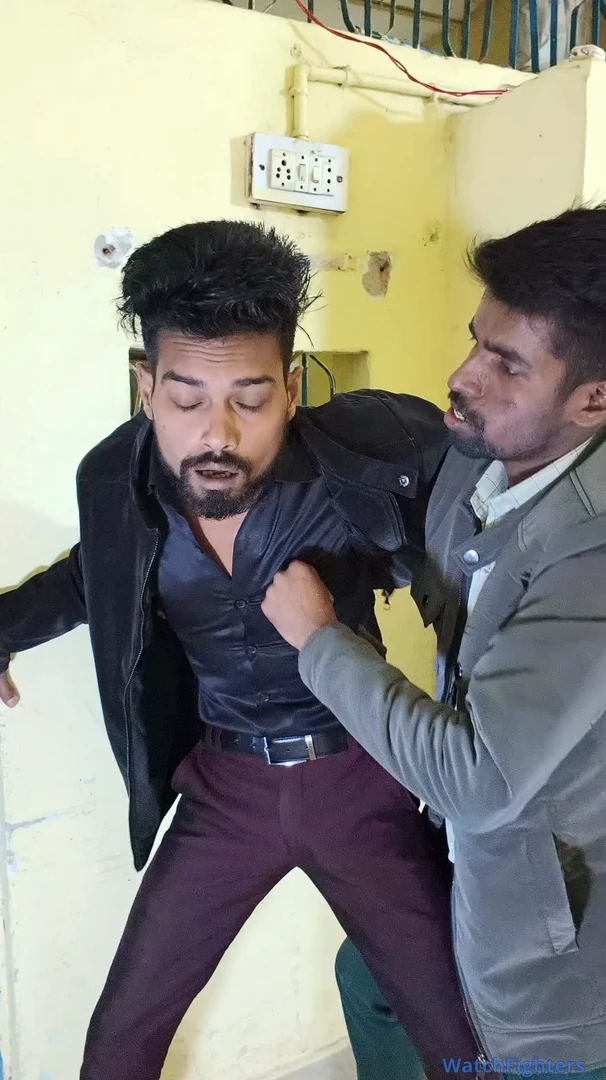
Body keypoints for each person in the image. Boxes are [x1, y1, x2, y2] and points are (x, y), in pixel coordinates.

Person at [0, 220, 479, 1079]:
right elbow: (86, 578)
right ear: (147, 387)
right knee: (119, 1041)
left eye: (249, 400)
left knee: (462, 1038)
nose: (217, 435)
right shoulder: (122, 488)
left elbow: (495, 515)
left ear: (291, 389)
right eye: (186, 400)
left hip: (361, 781)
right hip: (225, 795)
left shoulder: (362, 466)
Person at [262, 205, 606, 1078]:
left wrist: (319, 639)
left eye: (507, 364)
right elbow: (454, 577)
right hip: (478, 864)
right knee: (373, 977)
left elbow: (480, 781)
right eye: (474, 341)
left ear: (595, 399)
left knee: (525, 1054)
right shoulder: (475, 461)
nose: (461, 376)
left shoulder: (594, 556)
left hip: (561, 934)